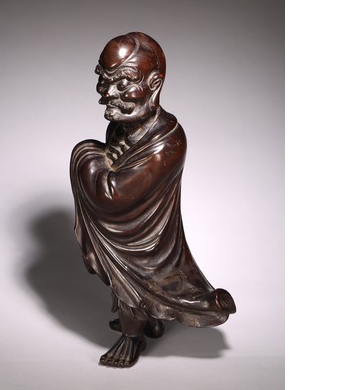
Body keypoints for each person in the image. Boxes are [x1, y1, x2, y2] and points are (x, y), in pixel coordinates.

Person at [70, 32, 235, 368]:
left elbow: (111, 196)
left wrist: (86, 154)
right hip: (128, 233)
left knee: (134, 281)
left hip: (145, 243)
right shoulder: (122, 125)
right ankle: (151, 320)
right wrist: (106, 156)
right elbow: (115, 164)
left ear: (155, 85)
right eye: (104, 80)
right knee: (130, 284)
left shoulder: (167, 143)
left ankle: (131, 339)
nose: (107, 94)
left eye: (123, 83)